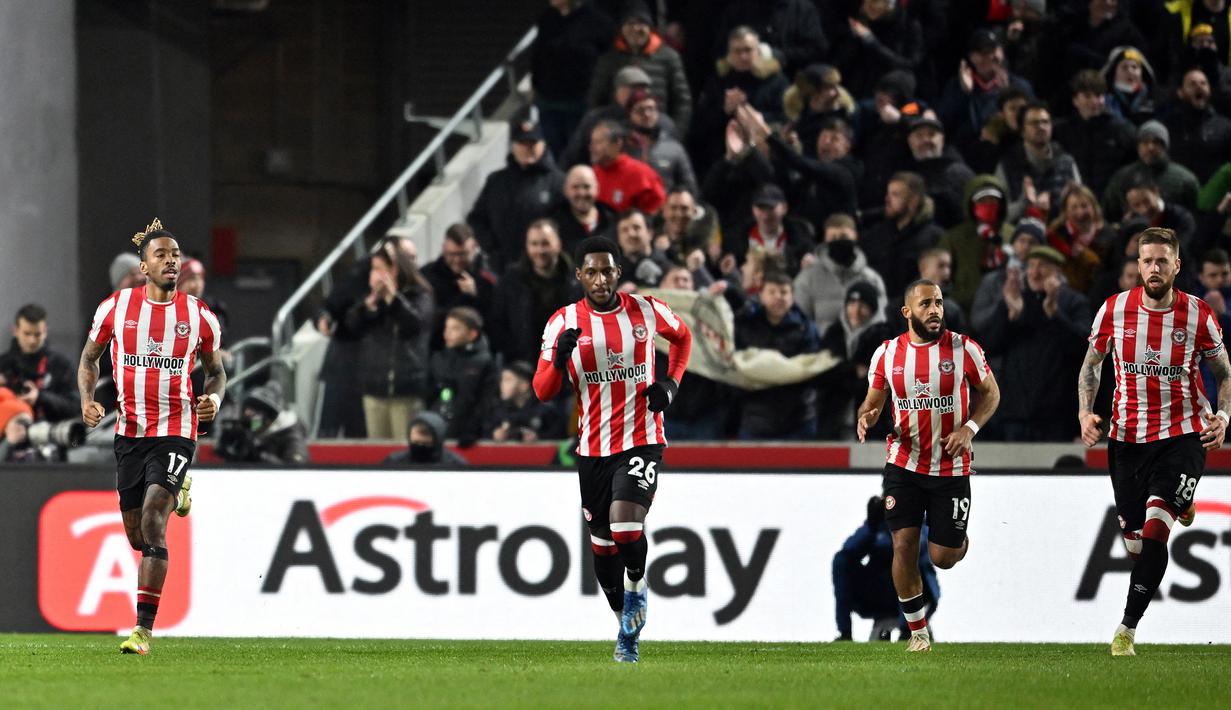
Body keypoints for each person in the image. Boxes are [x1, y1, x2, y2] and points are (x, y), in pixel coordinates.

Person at [532, 235, 692, 663]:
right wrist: (557, 360)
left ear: (618, 273)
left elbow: (683, 338)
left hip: (642, 438)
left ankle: (638, 586)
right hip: (593, 448)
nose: (601, 279)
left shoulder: (646, 310)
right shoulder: (562, 323)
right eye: (592, 271)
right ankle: (627, 629)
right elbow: (543, 391)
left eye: (608, 270)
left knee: (625, 528)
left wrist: (671, 385)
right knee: (603, 552)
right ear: (579, 275)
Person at [1077, 227, 1230, 656]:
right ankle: (1181, 502)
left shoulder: (1198, 315)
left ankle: (1126, 630)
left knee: (1156, 530)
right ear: (1138, 265)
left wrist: (1222, 416)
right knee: (1134, 544)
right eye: (1147, 260)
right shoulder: (1113, 310)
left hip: (1183, 435)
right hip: (1127, 438)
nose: (1154, 267)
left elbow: (1225, 373)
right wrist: (1085, 412)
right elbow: (1091, 366)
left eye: (1163, 260)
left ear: (1177, 265)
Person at [77, 219, 226, 655]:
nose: (171, 261)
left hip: (177, 429)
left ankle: (142, 630)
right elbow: (89, 358)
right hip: (130, 433)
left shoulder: (199, 317)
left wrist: (214, 401)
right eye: (161, 255)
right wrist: (87, 397)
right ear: (143, 266)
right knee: (137, 537)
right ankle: (181, 490)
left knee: (153, 522)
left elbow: (217, 374)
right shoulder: (115, 308)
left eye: (175, 255)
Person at [856, 279, 1001, 652]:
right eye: (925, 304)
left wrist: (969, 429)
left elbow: (991, 394)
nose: (935, 310)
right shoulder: (887, 354)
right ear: (907, 312)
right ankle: (918, 632)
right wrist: (867, 416)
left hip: (950, 467)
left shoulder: (964, 349)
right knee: (902, 545)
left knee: (943, 556)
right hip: (903, 462)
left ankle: (956, 538)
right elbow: (872, 402)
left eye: (938, 302)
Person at [978, 246, 1091, 441]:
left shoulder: (1074, 302)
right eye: (1031, 265)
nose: (1035, 272)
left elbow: (1083, 349)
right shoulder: (1015, 300)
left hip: (1055, 417)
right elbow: (990, 346)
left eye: (1043, 266)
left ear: (1058, 271)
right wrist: (1009, 316)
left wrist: (1055, 314)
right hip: (1014, 415)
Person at [345, 239, 434, 440]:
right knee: (377, 452)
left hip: (405, 389)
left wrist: (393, 300)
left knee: (403, 449)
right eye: (372, 269)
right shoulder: (370, 300)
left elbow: (413, 325)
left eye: (378, 268)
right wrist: (369, 306)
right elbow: (352, 326)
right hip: (374, 389)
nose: (373, 274)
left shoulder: (419, 295)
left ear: (394, 271)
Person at [468, 110, 565, 273]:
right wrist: (493, 250)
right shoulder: (496, 181)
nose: (529, 149)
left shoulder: (557, 181)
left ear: (543, 144)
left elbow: (565, 224)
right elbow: (477, 219)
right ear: (513, 146)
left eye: (533, 143)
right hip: (503, 268)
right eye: (523, 143)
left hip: (546, 269)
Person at [833, 495, 938, 641]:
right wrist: (872, 526)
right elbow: (847, 553)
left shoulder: (920, 518)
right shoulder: (879, 522)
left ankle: (908, 629)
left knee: (907, 558)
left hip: (917, 595)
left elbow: (920, 547)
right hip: (882, 594)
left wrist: (898, 530)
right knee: (841, 561)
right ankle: (844, 633)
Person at [735, 271, 822, 439]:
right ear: (761, 296)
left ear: (792, 296)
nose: (778, 297)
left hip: (799, 420)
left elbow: (811, 366)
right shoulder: (747, 326)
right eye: (772, 292)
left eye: (784, 292)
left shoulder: (806, 328)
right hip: (755, 419)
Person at [587, 2, 692, 134]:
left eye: (642, 23)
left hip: (658, 132)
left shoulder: (669, 57)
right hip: (619, 133)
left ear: (650, 27)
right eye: (630, 24)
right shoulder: (609, 60)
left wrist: (676, 133)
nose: (636, 28)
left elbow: (682, 101)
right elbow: (595, 101)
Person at [490, 220, 582, 364]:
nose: (539, 250)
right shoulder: (511, 281)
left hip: (571, 364)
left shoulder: (578, 280)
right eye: (534, 244)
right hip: (526, 365)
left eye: (545, 244)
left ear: (558, 244)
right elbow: (498, 323)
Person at [531, 0, 614, 159]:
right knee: (553, 151)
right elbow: (538, 55)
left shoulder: (597, 22)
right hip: (548, 100)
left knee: (578, 152)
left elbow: (607, 63)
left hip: (580, 102)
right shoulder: (547, 18)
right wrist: (536, 85)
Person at [794, 214, 887, 334]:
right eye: (833, 238)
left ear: (855, 236)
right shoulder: (807, 279)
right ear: (825, 240)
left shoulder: (871, 279)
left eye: (844, 236)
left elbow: (880, 321)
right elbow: (800, 323)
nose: (839, 241)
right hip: (823, 350)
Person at [1054, 69, 1137, 198]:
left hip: (1112, 202)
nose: (1094, 101)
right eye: (1087, 96)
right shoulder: (1061, 131)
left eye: (1098, 95)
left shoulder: (1122, 129)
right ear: (1075, 100)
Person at [862, 172, 944, 301]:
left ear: (913, 201)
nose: (887, 200)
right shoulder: (877, 234)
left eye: (895, 195)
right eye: (888, 194)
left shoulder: (933, 237)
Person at [995, 101, 1082, 222]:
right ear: (1022, 130)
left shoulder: (1066, 162)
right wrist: (1024, 203)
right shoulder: (1008, 166)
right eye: (1034, 123)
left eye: (1045, 122)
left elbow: (1082, 204)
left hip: (1061, 233)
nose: (1041, 127)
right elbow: (1000, 214)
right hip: (1021, 235)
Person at [420, 223, 498, 353]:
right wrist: (464, 297)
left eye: (462, 254)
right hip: (439, 352)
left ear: (474, 248)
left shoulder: (488, 278)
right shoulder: (428, 275)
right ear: (444, 249)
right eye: (451, 254)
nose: (457, 260)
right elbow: (429, 319)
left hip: (480, 353)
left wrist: (477, 295)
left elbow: (496, 318)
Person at [1102, 120, 1201, 222]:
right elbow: (1109, 214)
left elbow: (1196, 217)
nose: (1150, 147)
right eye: (1145, 142)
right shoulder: (1122, 178)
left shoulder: (1185, 180)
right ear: (1138, 146)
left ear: (1165, 147)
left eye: (1156, 142)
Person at [428, 306, 499, 447]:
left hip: (469, 436)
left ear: (472, 334)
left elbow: (486, 402)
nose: (447, 333)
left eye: (455, 328)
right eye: (446, 327)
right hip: (440, 430)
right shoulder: (439, 358)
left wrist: (471, 429)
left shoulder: (485, 363)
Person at [0, 304, 77, 424]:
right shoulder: (3, 364)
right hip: (10, 433)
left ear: (45, 331)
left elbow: (74, 407)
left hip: (50, 432)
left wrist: (39, 397)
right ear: (15, 331)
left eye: (37, 334)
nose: (32, 340)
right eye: (27, 334)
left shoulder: (60, 364)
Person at [1163, 68, 1231, 183]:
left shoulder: (1224, 126)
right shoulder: (1170, 125)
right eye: (1192, 84)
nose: (1199, 86)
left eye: (1203, 83)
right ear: (1180, 92)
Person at [215, 381, 308, 465]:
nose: (249, 418)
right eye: (247, 410)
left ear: (269, 418)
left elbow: (295, 472)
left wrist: (259, 456)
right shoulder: (252, 431)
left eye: (255, 412)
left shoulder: (291, 438)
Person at [590, 120, 666, 215]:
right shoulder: (590, 175)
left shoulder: (642, 174)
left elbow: (657, 211)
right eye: (592, 142)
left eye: (598, 142)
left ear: (617, 143)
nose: (592, 148)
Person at [484, 361, 563, 442]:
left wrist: (538, 438)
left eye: (508, 380)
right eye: (502, 380)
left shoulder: (546, 411)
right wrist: (495, 435)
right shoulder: (498, 410)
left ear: (524, 385)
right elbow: (483, 433)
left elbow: (560, 437)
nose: (502, 385)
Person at [383, 411, 469, 467]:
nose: (420, 438)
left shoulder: (456, 465)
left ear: (438, 438)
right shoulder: (394, 462)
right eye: (416, 442)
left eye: (425, 433)